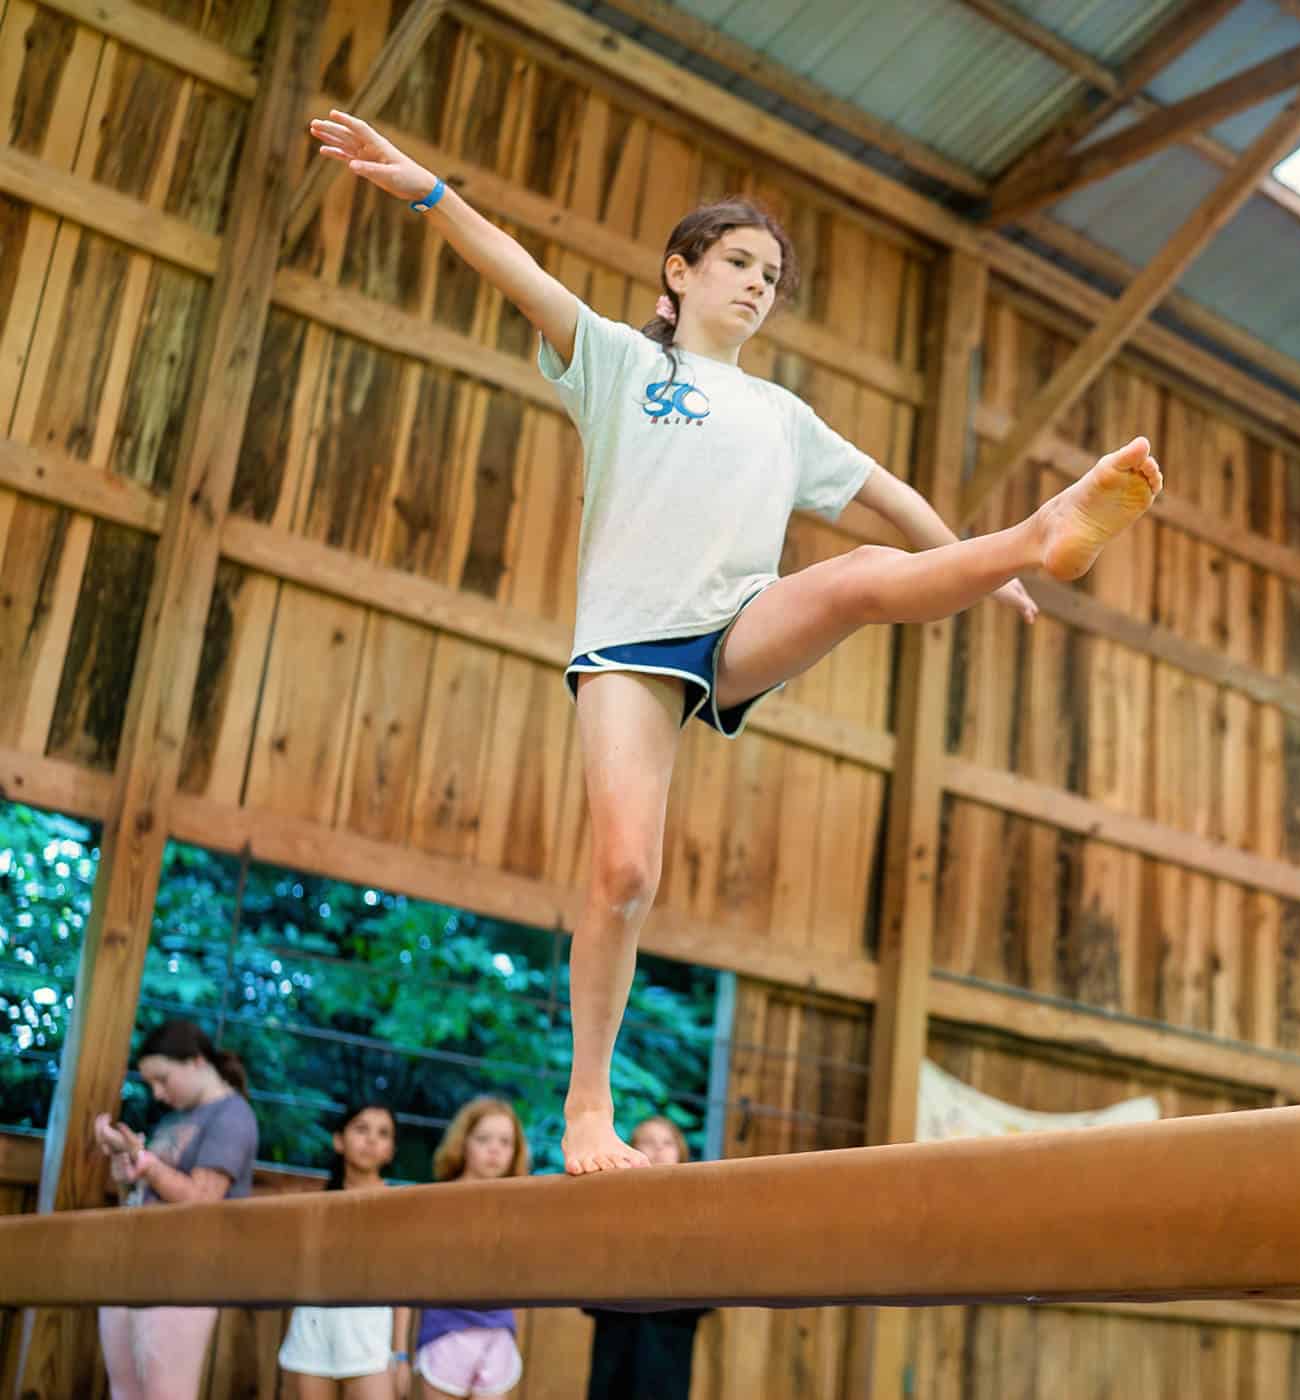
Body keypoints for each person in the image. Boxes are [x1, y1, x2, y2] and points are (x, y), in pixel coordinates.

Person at [307, 110, 1163, 1175]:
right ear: (680, 271)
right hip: (627, 645)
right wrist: (428, 188)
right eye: (740, 263)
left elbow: (887, 497)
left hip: (737, 619)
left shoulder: (782, 415)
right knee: (623, 872)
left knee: (852, 579)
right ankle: (585, 1107)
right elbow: (519, 273)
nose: (759, 284)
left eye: (773, 274)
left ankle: (1033, 536)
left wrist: (981, 563)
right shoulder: (617, 365)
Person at [92, 1018, 259, 1400]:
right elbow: (141, 1199)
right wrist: (128, 1171)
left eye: (163, 1079)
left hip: (186, 1271)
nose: (157, 1093)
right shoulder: (174, 1118)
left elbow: (203, 1198)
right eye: (151, 1083)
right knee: (125, 1391)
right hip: (133, 1263)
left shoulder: (232, 1115)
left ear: (196, 1062)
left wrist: (147, 1163)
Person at [279, 1101, 413, 1398]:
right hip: (310, 1340)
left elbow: (402, 1287)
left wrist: (400, 1355)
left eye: (383, 1133)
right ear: (339, 1140)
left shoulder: (399, 1205)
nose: (371, 1140)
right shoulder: (313, 1205)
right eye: (361, 1129)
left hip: (370, 1343)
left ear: (391, 1150)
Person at [584, 1116, 709, 1400]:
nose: (658, 1150)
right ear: (630, 1150)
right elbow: (587, 1288)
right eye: (648, 1143)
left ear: (680, 1153)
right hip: (616, 1334)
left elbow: (709, 1290)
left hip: (669, 1339)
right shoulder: (609, 1210)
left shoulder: (697, 1215)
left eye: (667, 1143)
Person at [415, 1098, 530, 1399]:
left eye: (505, 1142)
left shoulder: (519, 1208)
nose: (495, 1149)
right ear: (463, 1142)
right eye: (483, 1139)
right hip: (446, 1330)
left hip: (498, 1333)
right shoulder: (438, 1201)